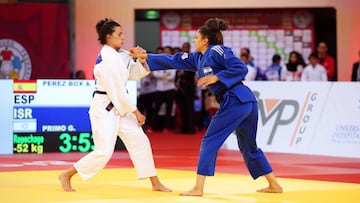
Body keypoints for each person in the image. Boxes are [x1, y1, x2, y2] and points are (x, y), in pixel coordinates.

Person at [130, 18, 282, 196]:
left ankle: (198, 188)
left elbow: (240, 67)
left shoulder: (217, 50)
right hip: (243, 102)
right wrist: (146, 56)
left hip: (235, 98)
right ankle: (274, 185)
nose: (194, 41)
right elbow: (174, 59)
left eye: (196, 38)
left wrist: (216, 78)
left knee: (210, 140)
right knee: (249, 146)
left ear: (205, 40)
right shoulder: (197, 58)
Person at [58, 18, 171, 193]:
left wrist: (141, 58)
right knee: (104, 151)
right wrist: (137, 112)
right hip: (104, 107)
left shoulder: (121, 55)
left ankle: (155, 182)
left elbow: (134, 74)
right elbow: (117, 91)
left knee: (140, 141)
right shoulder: (107, 60)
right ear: (109, 37)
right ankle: (67, 174)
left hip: (119, 107)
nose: (123, 37)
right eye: (119, 34)